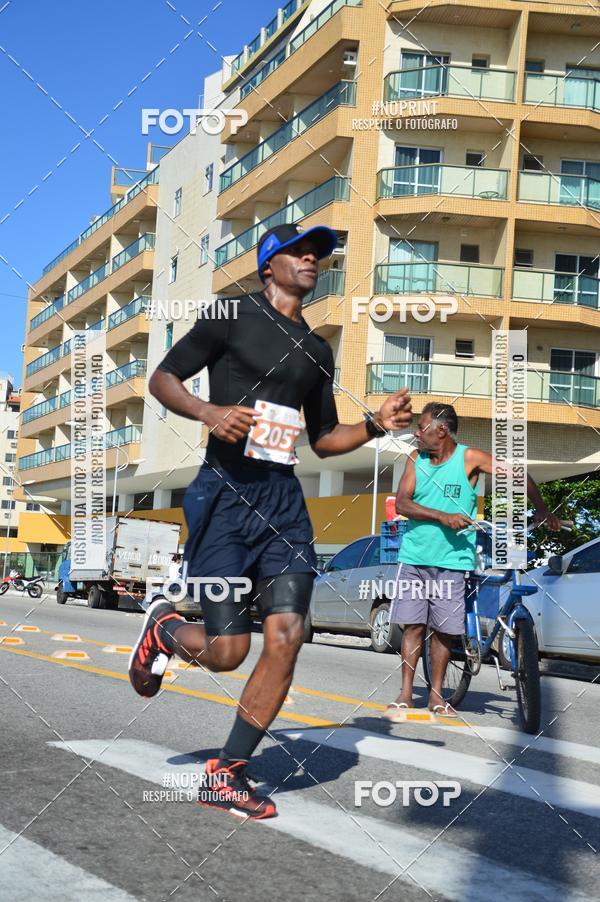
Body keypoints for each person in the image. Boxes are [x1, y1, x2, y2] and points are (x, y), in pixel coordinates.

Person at [128, 222, 413, 819]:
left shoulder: (317, 348)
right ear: (269, 265)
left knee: (286, 639)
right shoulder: (232, 314)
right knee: (229, 649)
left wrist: (378, 426)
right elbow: (162, 378)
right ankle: (165, 630)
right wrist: (208, 412)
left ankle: (227, 771)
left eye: (319, 255)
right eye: (300, 252)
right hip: (223, 498)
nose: (312, 260)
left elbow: (325, 437)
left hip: (283, 505)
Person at [384, 402, 560, 721]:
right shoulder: (415, 460)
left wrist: (542, 508)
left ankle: (437, 696)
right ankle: (406, 693)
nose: (416, 433)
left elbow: (517, 474)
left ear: (442, 431)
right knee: (412, 626)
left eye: (421, 427)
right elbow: (405, 504)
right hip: (415, 557)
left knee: (443, 630)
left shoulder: (470, 458)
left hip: (453, 560)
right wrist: (442, 516)